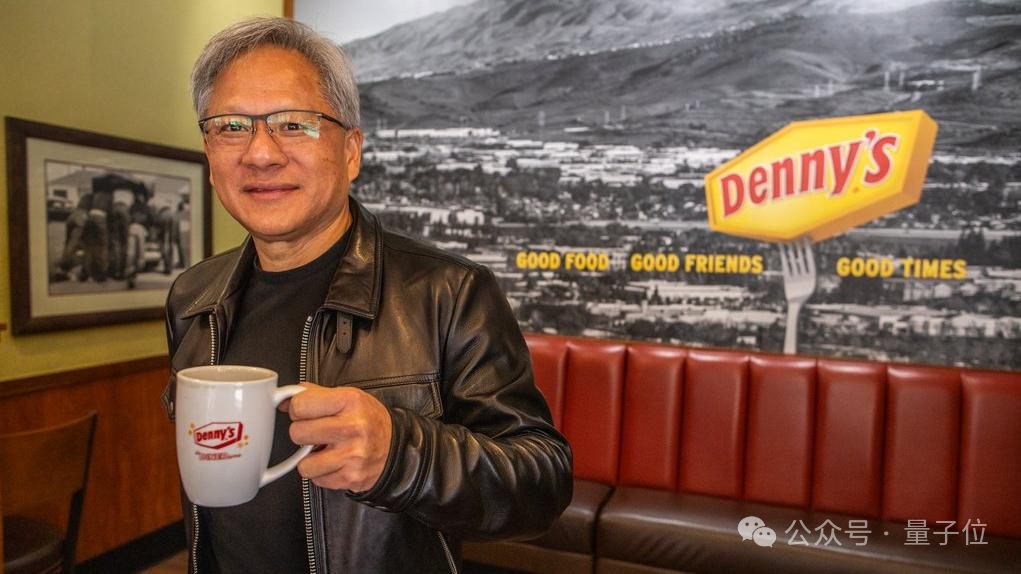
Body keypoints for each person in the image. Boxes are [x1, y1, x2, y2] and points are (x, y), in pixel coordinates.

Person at [161, 17, 572, 574]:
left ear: (351, 151)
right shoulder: (192, 299)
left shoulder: (448, 291)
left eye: (293, 124)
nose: (259, 153)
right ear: (209, 157)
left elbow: (541, 484)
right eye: (231, 126)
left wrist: (400, 455)